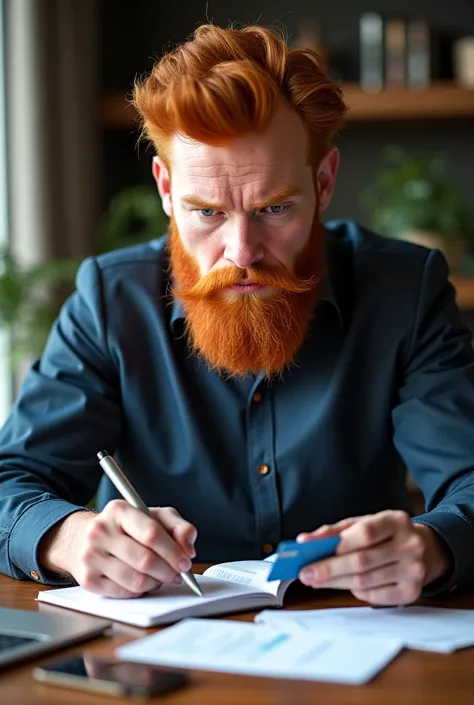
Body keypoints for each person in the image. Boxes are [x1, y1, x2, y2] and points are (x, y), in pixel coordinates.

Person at [0, 24, 473, 607]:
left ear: (323, 183)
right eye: (206, 212)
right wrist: (69, 539)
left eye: (275, 208)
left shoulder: (405, 289)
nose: (242, 251)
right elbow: (10, 483)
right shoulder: (110, 300)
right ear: (167, 190)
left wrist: (431, 547)